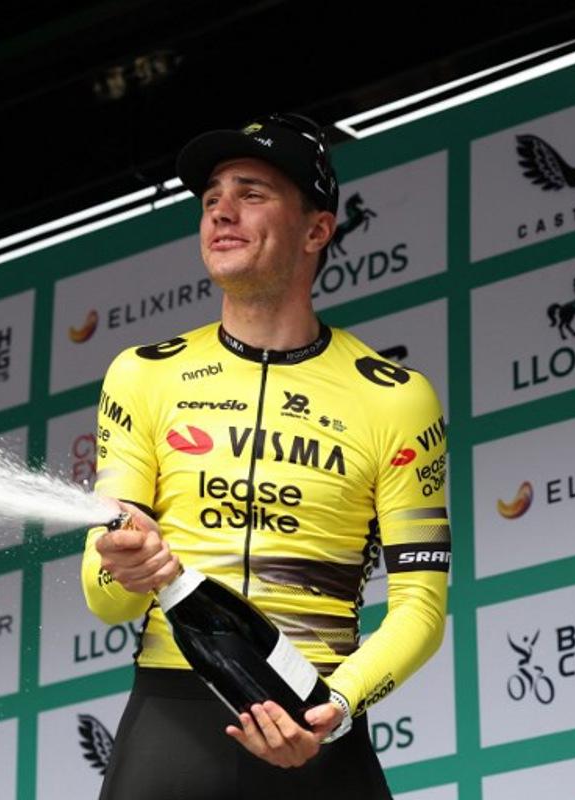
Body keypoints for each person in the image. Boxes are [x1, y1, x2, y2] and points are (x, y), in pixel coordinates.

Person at [81, 112, 449, 799]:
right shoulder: (142, 374)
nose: (222, 212)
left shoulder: (396, 398)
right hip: (171, 720)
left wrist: (336, 706)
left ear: (316, 230)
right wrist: (125, 568)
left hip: (319, 720)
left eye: (251, 194)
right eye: (211, 198)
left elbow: (421, 608)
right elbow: (104, 599)